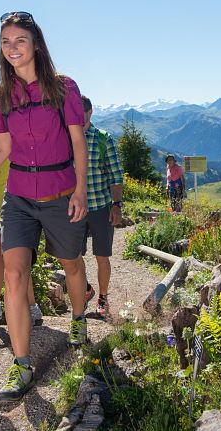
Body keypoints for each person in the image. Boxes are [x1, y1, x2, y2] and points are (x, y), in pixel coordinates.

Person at [0, 11, 90, 403]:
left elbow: (77, 143)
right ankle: (21, 363)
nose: (12, 49)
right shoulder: (3, 95)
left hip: (60, 193)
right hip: (19, 197)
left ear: (36, 43)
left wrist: (81, 191)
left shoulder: (63, 87)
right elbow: (2, 150)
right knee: (14, 275)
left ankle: (78, 318)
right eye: (5, 42)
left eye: (19, 40)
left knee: (71, 262)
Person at [0, 112, 43, 326]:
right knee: (15, 260)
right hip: (8, 216)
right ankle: (32, 309)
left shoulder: (12, 153)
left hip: (28, 211)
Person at [80, 95, 124, 318]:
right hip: (74, 207)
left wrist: (116, 205)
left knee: (102, 255)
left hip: (100, 206)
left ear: (90, 112)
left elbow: (116, 175)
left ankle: (103, 298)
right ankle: (86, 288)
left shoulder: (103, 139)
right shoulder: (66, 138)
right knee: (70, 255)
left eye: (82, 112)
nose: (79, 116)